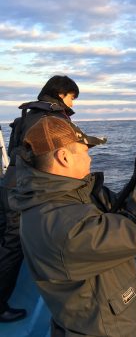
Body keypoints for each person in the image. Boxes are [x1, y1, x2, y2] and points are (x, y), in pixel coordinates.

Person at [9, 116, 136, 336]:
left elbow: (115, 216)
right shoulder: (63, 226)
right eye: (85, 152)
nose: (90, 159)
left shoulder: (58, 199)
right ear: (63, 157)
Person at [0, 75, 80, 322]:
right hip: (22, 190)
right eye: (72, 98)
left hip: (8, 185)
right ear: (61, 94)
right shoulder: (53, 119)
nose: (73, 105)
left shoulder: (27, 115)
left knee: (4, 237)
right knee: (13, 246)